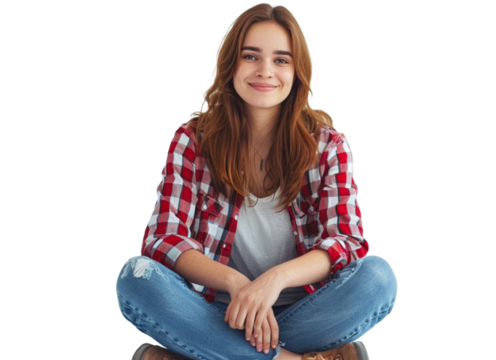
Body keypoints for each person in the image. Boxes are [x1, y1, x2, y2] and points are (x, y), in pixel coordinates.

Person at [115, 2, 397, 359]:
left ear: (297, 71)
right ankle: (289, 358)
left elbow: (346, 242)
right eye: (251, 56)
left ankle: (201, 352)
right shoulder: (193, 139)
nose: (265, 70)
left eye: (281, 59)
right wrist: (238, 284)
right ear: (231, 63)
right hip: (217, 312)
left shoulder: (328, 144)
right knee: (135, 277)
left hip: (306, 313)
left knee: (377, 277)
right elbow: (163, 240)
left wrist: (273, 281)